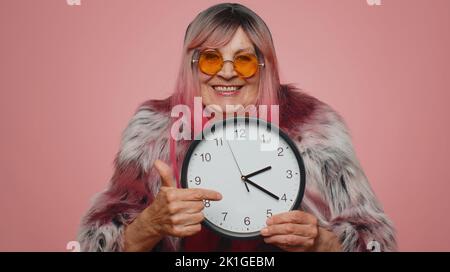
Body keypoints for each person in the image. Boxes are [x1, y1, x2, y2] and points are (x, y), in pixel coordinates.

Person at [78, 3, 396, 252]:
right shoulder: (152, 131)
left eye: (243, 60)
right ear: (192, 65)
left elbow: (375, 242)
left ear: (263, 66)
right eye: (211, 59)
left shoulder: (314, 127)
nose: (228, 73)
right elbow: (100, 241)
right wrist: (150, 225)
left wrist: (320, 242)